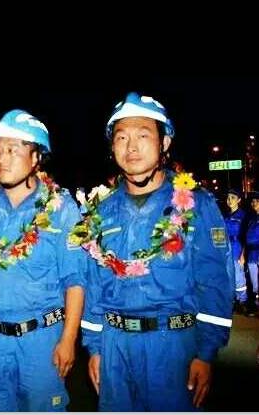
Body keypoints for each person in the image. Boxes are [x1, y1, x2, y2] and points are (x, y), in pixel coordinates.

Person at [76, 93, 233, 410]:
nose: (131, 147)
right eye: (121, 137)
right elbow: (93, 284)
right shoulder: (100, 213)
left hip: (173, 347)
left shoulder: (195, 205)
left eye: (143, 135)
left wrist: (205, 354)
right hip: (115, 347)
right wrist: (94, 348)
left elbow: (215, 281)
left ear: (165, 143)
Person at [0, 109, 86, 411]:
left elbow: (75, 280)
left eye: (13, 150)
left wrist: (68, 339)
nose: (1, 159)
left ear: (36, 158)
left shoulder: (62, 209)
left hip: (41, 341)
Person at [225, 189, 248, 314]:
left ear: (239, 200)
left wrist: (243, 254)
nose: (230, 200)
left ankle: (242, 301)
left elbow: (246, 236)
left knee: (239, 276)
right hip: (226, 249)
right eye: (228, 198)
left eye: (233, 197)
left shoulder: (243, 216)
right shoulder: (226, 216)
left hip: (237, 248)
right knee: (229, 276)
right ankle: (233, 301)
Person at [244, 191, 259, 316]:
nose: (254, 203)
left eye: (257, 201)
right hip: (251, 255)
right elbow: (245, 237)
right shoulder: (250, 218)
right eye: (253, 201)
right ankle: (254, 305)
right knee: (254, 283)